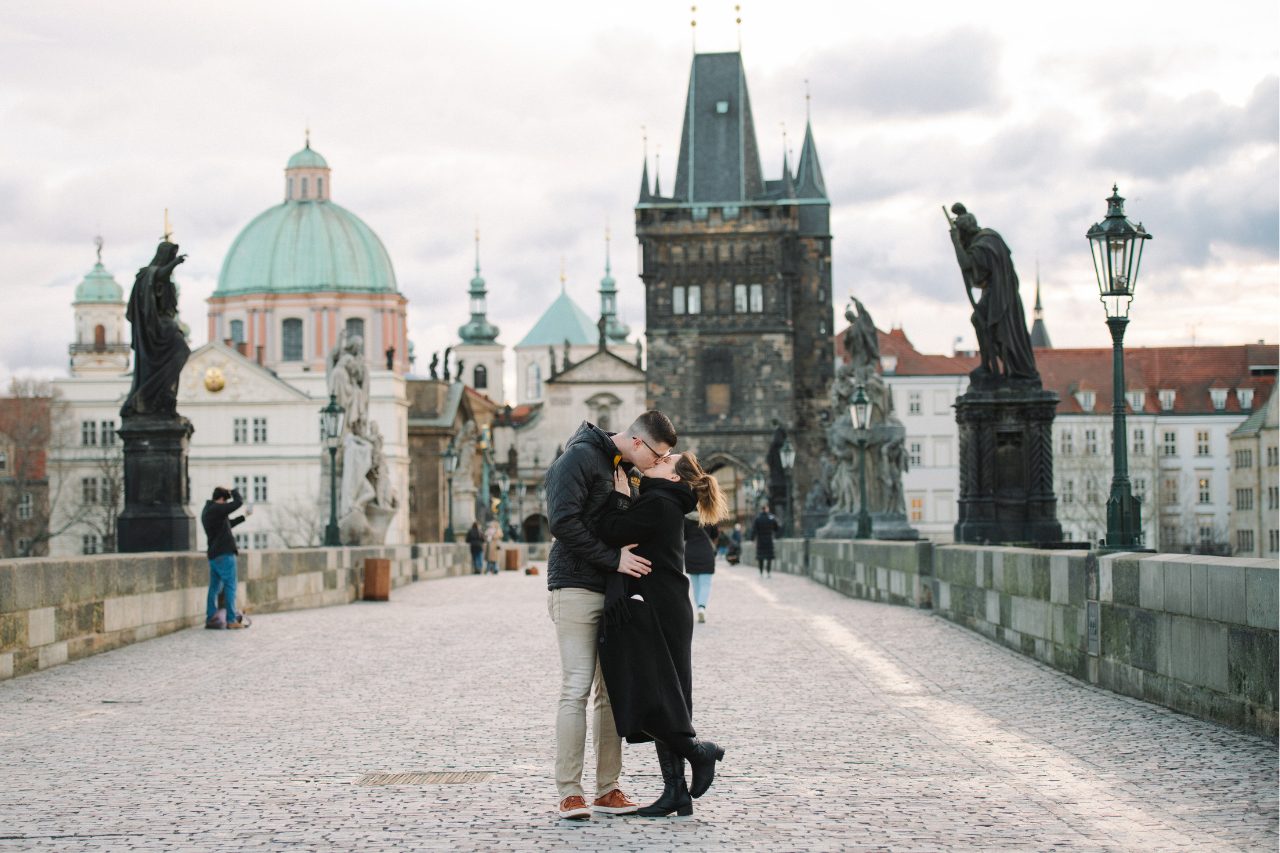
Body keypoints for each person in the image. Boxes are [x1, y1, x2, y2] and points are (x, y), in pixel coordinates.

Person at [544, 410, 677, 820]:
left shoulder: (627, 470)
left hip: (613, 592)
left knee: (610, 692)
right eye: (657, 455)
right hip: (575, 585)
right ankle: (569, 792)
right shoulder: (579, 458)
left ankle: (607, 788)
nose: (657, 462)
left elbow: (620, 524)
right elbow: (562, 522)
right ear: (638, 441)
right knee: (577, 686)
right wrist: (611, 559)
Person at [594, 451, 729, 818]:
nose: (661, 456)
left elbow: (609, 530)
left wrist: (620, 499)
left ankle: (699, 753)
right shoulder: (662, 500)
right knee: (665, 697)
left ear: (673, 477)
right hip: (665, 607)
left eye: (669, 458)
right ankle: (676, 792)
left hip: (659, 609)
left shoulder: (659, 502)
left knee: (655, 698)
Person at [948, 203, 1039, 383]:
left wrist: (956, 243)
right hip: (999, 293)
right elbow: (977, 274)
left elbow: (969, 266)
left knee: (990, 326)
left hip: (1000, 296)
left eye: (961, 235)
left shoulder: (983, 244)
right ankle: (989, 366)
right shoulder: (988, 239)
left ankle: (994, 367)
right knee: (983, 323)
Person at [201, 486, 252, 629]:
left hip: (214, 555)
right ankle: (231, 620)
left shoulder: (208, 510)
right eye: (225, 501)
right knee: (230, 586)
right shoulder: (217, 508)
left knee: (214, 588)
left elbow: (227, 525)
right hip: (224, 554)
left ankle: (211, 617)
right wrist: (233, 491)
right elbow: (238, 503)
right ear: (222, 499)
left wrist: (244, 517)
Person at [684, 515, 717, 623]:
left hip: (691, 553)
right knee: (705, 584)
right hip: (706, 552)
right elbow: (715, 534)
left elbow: (683, 536)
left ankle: (699, 607)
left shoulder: (686, 519)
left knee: (695, 584)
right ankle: (701, 607)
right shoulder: (710, 517)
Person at [752, 505, 780, 578]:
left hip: (760, 540)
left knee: (761, 557)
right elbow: (776, 528)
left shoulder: (758, 518)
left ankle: (761, 572)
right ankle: (768, 572)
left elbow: (754, 530)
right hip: (769, 539)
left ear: (762, 510)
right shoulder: (771, 517)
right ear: (767, 509)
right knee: (769, 557)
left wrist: (752, 539)